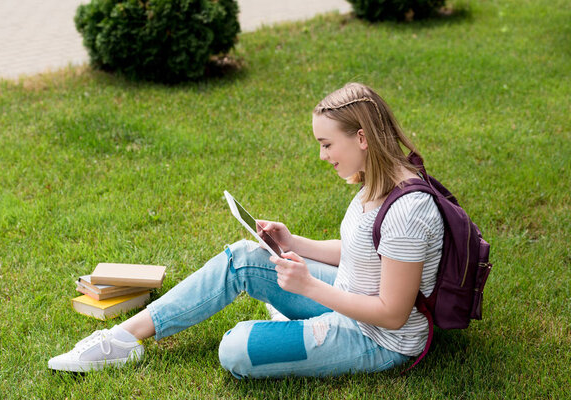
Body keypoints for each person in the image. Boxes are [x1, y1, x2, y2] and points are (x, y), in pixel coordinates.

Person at [48, 82, 444, 378]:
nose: (321, 155)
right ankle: (122, 340)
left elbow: (392, 314)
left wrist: (309, 287)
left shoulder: (407, 212)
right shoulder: (374, 183)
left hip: (377, 338)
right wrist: (292, 242)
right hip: (348, 295)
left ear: (361, 138)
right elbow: (364, 253)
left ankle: (295, 323)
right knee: (244, 256)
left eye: (326, 144)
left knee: (235, 349)